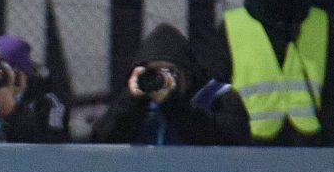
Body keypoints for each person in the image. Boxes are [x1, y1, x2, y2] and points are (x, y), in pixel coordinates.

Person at [200, 0, 334, 145]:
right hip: (250, 137)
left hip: (308, 137)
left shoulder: (319, 22)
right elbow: (216, 80)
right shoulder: (234, 25)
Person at [90, 23, 250, 146]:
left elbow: (228, 140)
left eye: (169, 72)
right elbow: (103, 144)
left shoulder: (220, 98)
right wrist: (131, 102)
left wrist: (174, 104)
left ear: (188, 72)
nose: (161, 80)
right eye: (154, 72)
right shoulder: (138, 104)